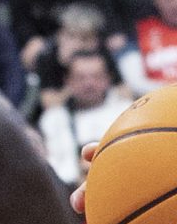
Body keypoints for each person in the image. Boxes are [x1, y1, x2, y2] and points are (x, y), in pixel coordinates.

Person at [40, 47, 131, 184]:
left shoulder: (127, 111)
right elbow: (52, 168)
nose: (89, 84)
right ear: (67, 80)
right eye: (80, 77)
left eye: (96, 76)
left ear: (108, 78)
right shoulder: (53, 119)